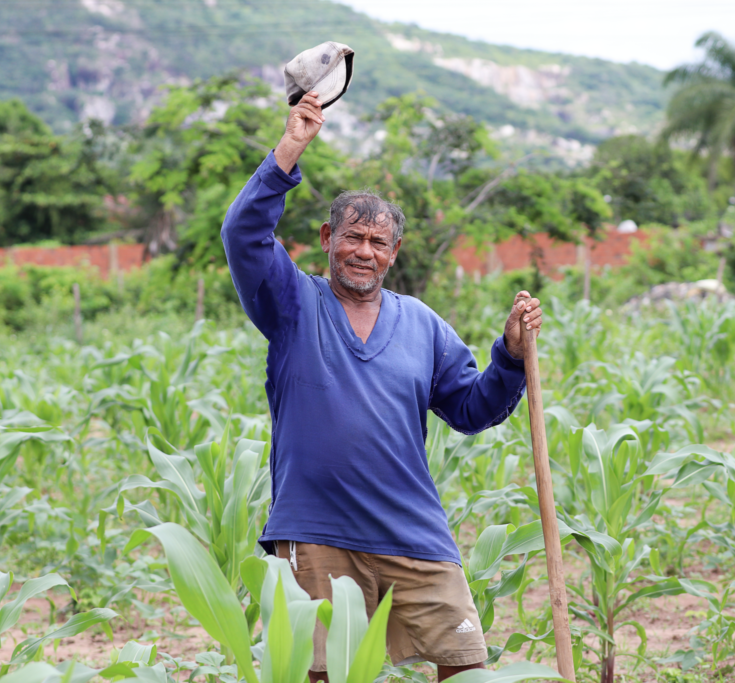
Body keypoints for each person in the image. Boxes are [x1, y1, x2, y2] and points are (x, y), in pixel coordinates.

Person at [220, 91, 544, 682]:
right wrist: (291, 147)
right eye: (352, 238)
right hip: (317, 533)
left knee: (465, 664)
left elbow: (474, 409)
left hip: (410, 529)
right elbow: (243, 234)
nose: (363, 252)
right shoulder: (294, 303)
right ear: (326, 239)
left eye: (377, 243)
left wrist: (512, 357)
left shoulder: (422, 324)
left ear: (394, 253)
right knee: (322, 673)